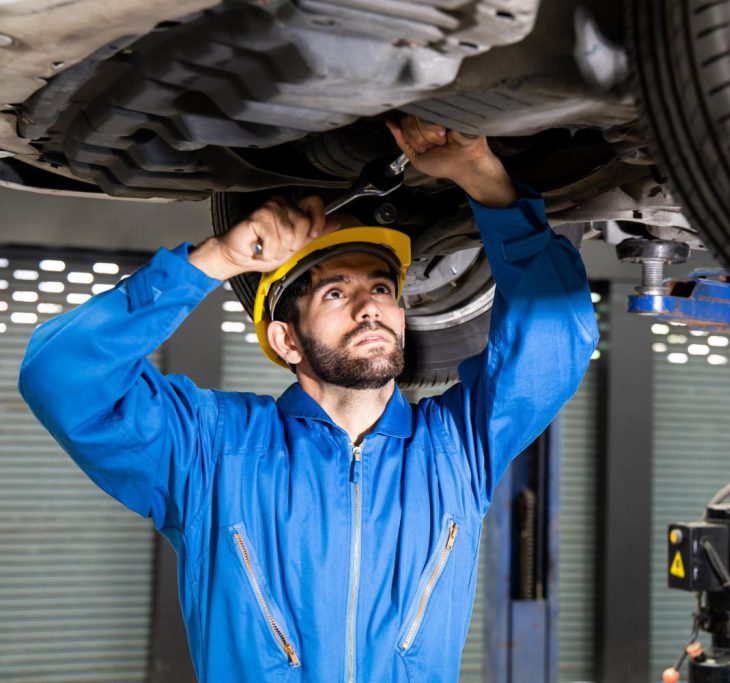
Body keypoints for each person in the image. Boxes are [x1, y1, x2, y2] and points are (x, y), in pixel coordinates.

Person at [18, 115, 598, 682]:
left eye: (380, 287)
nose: (369, 306)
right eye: (336, 292)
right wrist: (217, 261)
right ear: (285, 338)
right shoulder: (213, 451)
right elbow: (60, 375)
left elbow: (556, 342)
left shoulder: (456, 450)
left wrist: (483, 179)